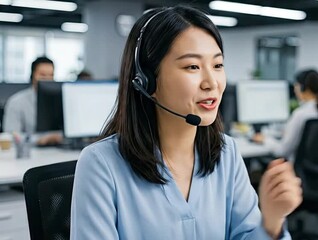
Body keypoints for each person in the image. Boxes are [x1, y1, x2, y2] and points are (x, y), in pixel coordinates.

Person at [71, 6, 302, 240]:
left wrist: (272, 221)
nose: (211, 82)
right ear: (147, 81)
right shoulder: (101, 164)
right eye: (192, 66)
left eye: (218, 65)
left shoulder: (226, 153)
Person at [252, 69, 318, 162]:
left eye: (296, 85)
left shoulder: (300, 114)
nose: (294, 89)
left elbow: (282, 151)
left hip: (296, 172)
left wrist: (264, 139)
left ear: (304, 88)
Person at [2, 56, 62, 145]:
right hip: (30, 153)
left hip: (60, 151)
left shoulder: (59, 101)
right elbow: (11, 136)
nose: (47, 79)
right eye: (42, 75)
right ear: (32, 75)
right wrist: (37, 140)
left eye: (51, 75)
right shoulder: (16, 102)